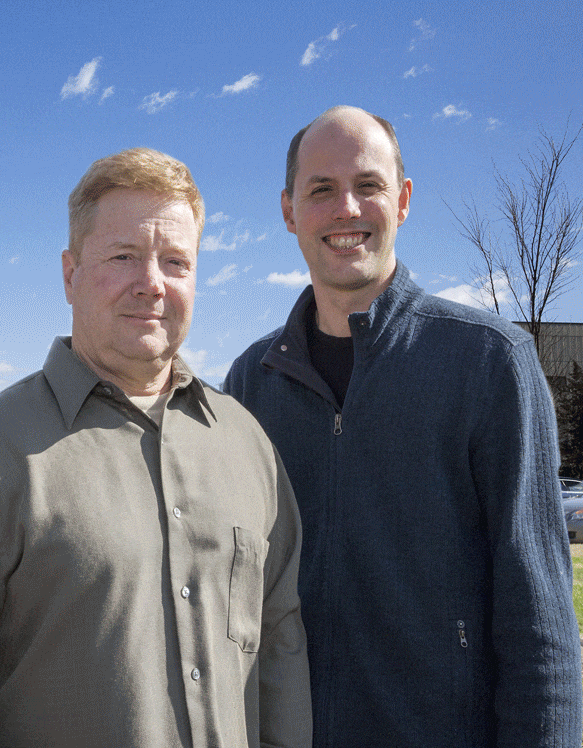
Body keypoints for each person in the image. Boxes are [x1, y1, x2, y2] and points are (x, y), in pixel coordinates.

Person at [0, 147, 312, 748]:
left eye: (176, 262)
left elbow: (278, 643)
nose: (151, 284)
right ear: (70, 274)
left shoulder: (248, 447)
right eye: (124, 256)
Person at [224, 105, 583, 747]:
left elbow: (541, 625)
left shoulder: (488, 362)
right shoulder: (252, 381)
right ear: (288, 211)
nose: (347, 210)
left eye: (369, 185)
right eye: (322, 190)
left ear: (404, 200)